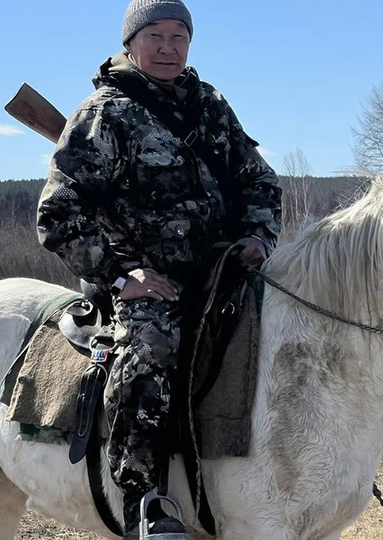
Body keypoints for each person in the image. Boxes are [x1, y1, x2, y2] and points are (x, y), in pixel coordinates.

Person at [36, 0, 282, 537]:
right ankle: (145, 499)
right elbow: (58, 214)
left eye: (179, 36)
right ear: (131, 44)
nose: (168, 47)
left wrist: (258, 237)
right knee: (152, 351)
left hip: (222, 271)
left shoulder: (210, 106)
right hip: (147, 283)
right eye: (155, 36)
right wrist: (125, 276)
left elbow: (259, 182)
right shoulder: (105, 113)